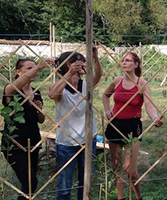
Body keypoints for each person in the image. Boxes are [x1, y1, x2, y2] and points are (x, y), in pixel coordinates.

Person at [102, 52, 163, 200]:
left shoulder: (142, 84)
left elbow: (148, 104)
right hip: (115, 125)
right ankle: (120, 197)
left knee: (130, 170)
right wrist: (107, 110)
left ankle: (138, 197)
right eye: (122, 60)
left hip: (132, 126)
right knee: (116, 167)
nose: (124, 63)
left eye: (128, 60)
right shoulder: (117, 81)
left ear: (136, 65)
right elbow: (105, 95)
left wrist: (154, 118)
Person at [49, 47, 103, 200]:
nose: (82, 64)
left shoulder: (86, 84)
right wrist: (69, 73)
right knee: (65, 185)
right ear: (68, 64)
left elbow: (99, 75)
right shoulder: (59, 86)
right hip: (66, 142)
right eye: (78, 61)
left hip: (88, 140)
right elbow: (53, 94)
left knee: (85, 182)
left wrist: (95, 57)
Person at [1, 57, 54, 200]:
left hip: (33, 142)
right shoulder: (10, 89)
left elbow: (41, 120)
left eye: (34, 68)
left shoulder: (36, 92)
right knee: (30, 182)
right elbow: (13, 88)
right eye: (29, 69)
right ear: (18, 72)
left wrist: (39, 109)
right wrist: (39, 67)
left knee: (29, 184)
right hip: (14, 143)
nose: (34, 71)